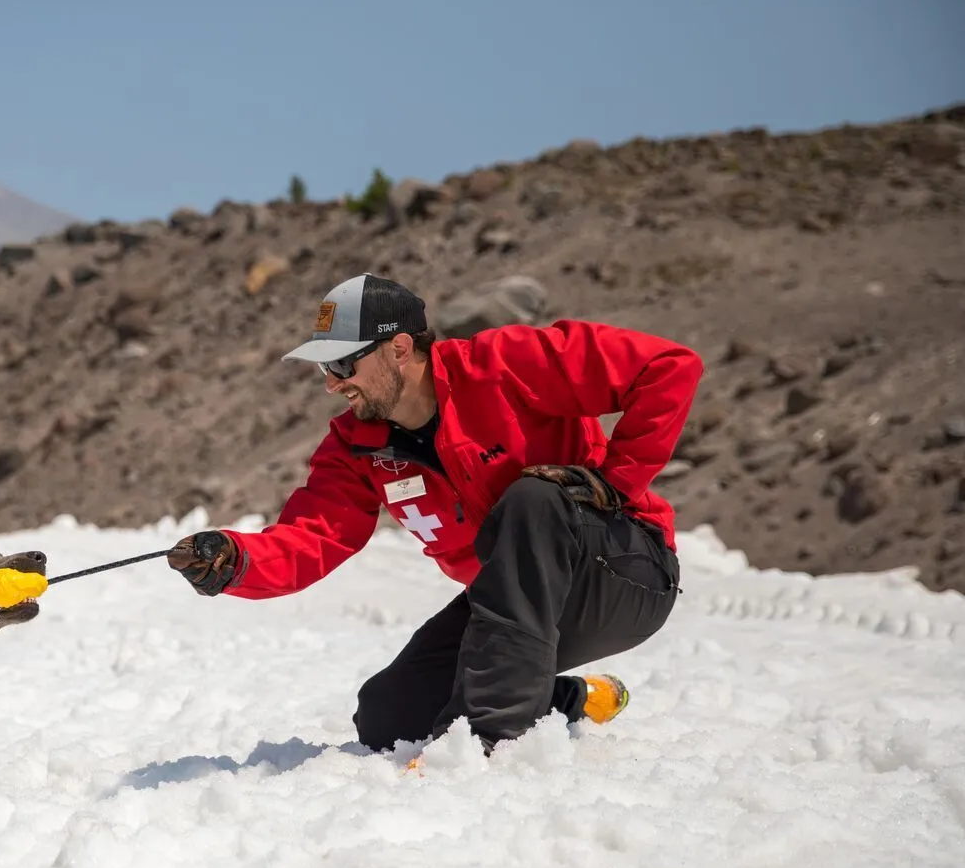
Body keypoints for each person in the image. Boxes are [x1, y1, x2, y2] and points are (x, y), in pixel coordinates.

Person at [167, 273, 703, 755]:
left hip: (622, 574)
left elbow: (668, 367)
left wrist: (615, 482)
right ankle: (569, 698)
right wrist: (235, 562)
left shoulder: (502, 364)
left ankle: (495, 744)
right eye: (324, 368)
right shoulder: (357, 446)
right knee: (389, 716)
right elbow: (314, 534)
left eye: (341, 363)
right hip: (515, 605)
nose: (332, 383)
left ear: (399, 348)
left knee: (533, 498)